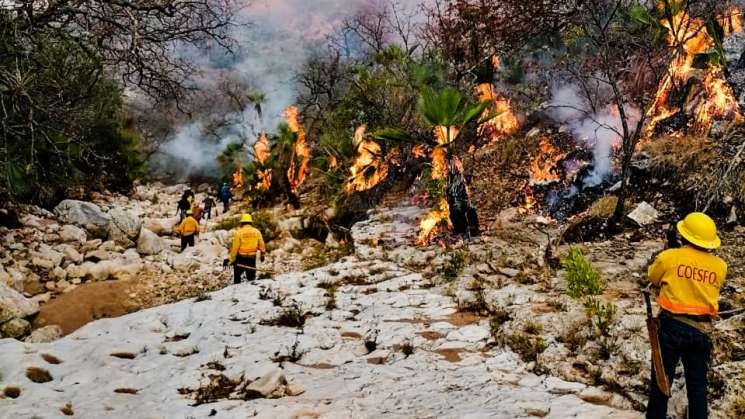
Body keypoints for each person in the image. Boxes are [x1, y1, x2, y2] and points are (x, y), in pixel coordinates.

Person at [646, 212, 727, 419]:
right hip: (701, 332)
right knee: (698, 389)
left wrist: (671, 250)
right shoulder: (720, 266)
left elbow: (653, 277)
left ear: (683, 236)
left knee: (661, 384)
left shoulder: (670, 257)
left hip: (670, 328)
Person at [228, 213, 266, 284]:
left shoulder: (239, 232)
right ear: (251, 222)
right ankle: (251, 288)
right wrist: (262, 255)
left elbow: (235, 248)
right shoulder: (256, 231)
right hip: (252, 257)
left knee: (237, 275)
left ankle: (237, 287)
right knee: (251, 276)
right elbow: (262, 245)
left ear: (242, 223)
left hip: (241, 258)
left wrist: (231, 259)